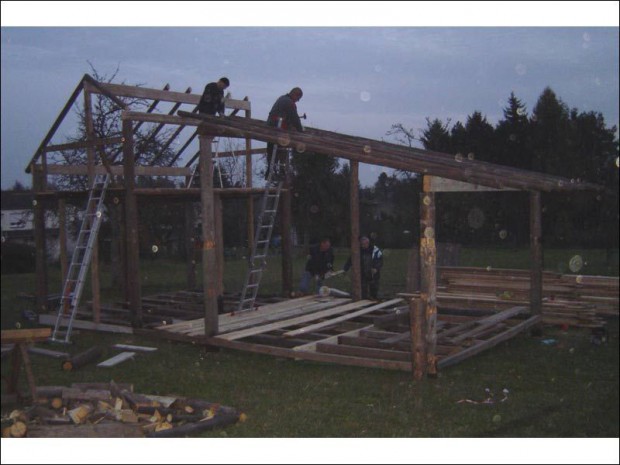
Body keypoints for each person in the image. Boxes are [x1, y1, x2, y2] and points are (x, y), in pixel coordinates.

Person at [265, 87, 304, 180]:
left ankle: (271, 171)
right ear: (295, 94)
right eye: (298, 99)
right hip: (277, 129)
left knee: (272, 152)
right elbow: (295, 119)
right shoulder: (289, 103)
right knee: (280, 150)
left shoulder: (282, 98)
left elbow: (288, 118)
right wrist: (301, 131)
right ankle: (280, 172)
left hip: (271, 128)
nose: (297, 101)